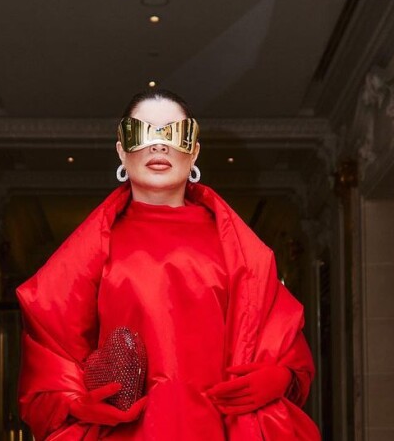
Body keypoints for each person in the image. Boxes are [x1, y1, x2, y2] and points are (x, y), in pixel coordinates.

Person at [16, 89, 320, 440]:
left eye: (174, 133)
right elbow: (50, 344)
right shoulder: (91, 251)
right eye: (142, 132)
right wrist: (73, 401)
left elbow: (284, 339)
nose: (159, 146)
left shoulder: (240, 250)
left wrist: (281, 376)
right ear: (121, 151)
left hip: (220, 429)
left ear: (194, 152)